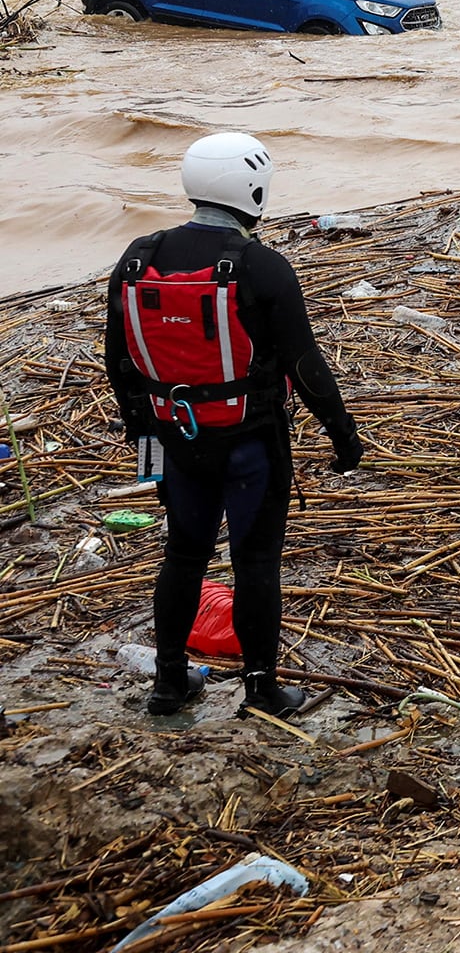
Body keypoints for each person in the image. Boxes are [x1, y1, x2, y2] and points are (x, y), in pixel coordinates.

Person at [103, 133, 362, 719]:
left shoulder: (137, 257)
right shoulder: (262, 266)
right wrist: (342, 433)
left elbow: (119, 359)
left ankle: (169, 683)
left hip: (173, 439)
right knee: (255, 563)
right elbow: (305, 364)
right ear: (254, 191)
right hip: (251, 443)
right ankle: (262, 689)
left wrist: (143, 433)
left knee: (183, 554)